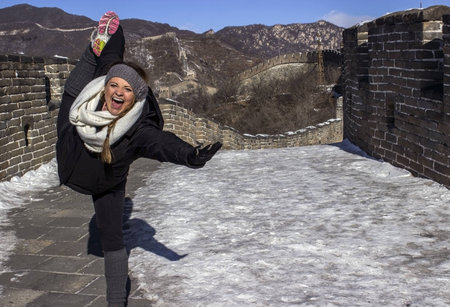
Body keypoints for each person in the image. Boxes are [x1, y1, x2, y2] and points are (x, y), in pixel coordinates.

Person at [56, 11, 222, 307]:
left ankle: (116, 301)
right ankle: (95, 46)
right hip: (74, 149)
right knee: (80, 87)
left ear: (135, 97)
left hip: (107, 179)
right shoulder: (96, 93)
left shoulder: (138, 129)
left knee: (112, 239)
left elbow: (162, 143)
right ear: (107, 86)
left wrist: (190, 155)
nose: (119, 92)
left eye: (127, 90)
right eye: (115, 85)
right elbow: (113, 60)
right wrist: (115, 31)